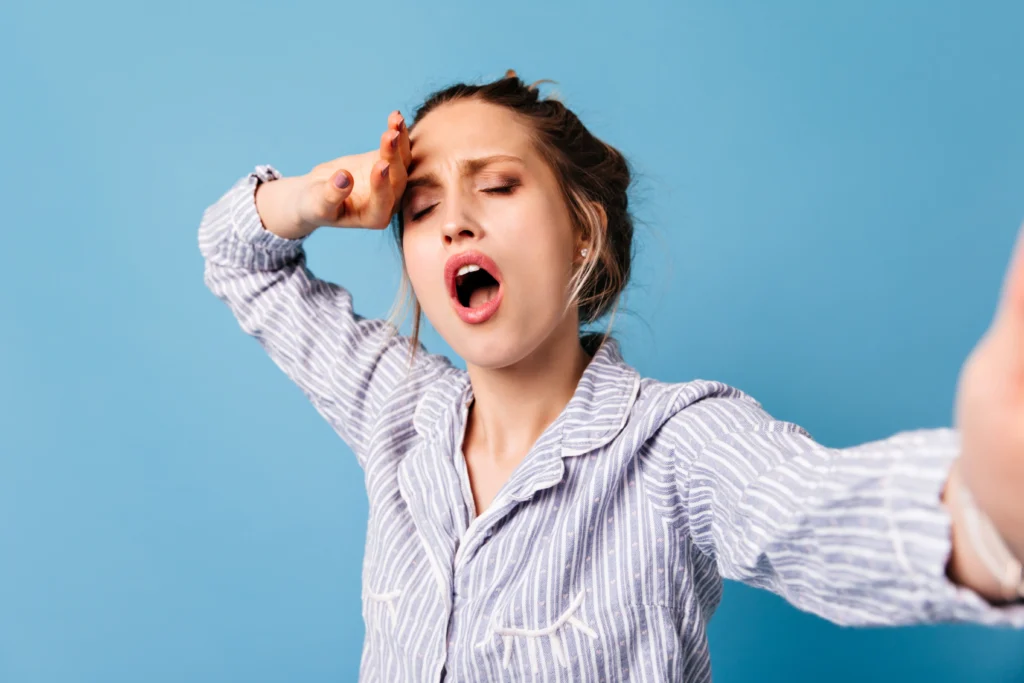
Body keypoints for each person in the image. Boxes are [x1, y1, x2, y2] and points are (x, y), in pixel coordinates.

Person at [198, 70, 1024, 681]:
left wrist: (990, 506)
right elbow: (241, 259)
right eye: (419, 207)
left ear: (583, 234)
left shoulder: (678, 446)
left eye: (497, 185)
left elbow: (817, 515)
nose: (454, 220)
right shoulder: (400, 412)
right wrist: (319, 197)